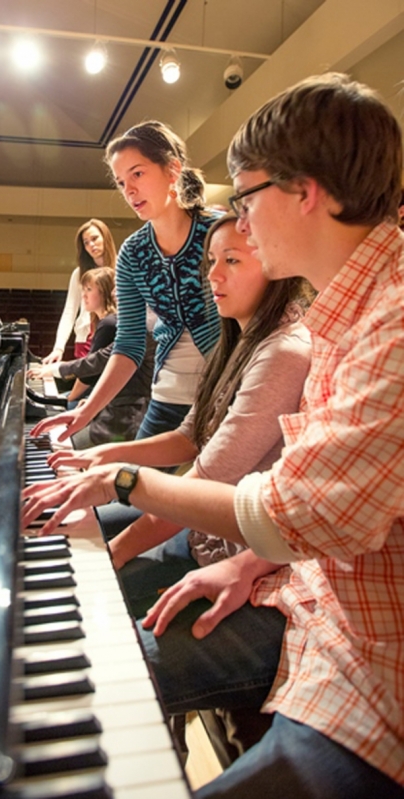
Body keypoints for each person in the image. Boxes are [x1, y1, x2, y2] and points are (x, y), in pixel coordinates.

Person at [24, 73, 404, 797]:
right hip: (307, 614)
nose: (240, 226)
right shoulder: (344, 315)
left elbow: (291, 509)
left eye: (248, 196)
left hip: (370, 684)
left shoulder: (385, 324)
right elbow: (315, 501)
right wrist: (253, 565)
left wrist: (119, 479)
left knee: (109, 672)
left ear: (306, 191)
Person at [47, 214, 312, 613]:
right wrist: (103, 456)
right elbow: (189, 436)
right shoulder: (236, 340)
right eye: (210, 263)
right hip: (202, 535)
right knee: (77, 528)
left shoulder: (283, 353)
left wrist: (111, 557)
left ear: (275, 265)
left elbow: (207, 476)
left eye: (232, 261)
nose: (213, 277)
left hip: (240, 557)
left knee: (99, 585)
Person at [31, 120, 221, 445]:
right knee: (133, 488)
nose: (129, 190)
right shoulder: (133, 252)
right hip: (168, 396)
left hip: (226, 390)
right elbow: (128, 345)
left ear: (172, 170)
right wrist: (85, 410)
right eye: (121, 182)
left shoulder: (220, 232)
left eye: (138, 173)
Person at [29, 266, 152, 447]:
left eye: (120, 286)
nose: (115, 292)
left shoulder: (142, 326)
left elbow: (97, 362)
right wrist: (95, 401)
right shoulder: (133, 323)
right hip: (116, 408)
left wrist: (58, 372)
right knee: (54, 438)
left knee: (52, 445)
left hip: (125, 419)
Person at [42, 219, 117, 363]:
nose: (91, 245)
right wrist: (59, 348)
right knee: (86, 381)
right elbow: (70, 311)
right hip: (86, 337)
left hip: (115, 334)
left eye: (94, 238)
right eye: (86, 242)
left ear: (105, 237)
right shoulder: (79, 273)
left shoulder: (122, 267)